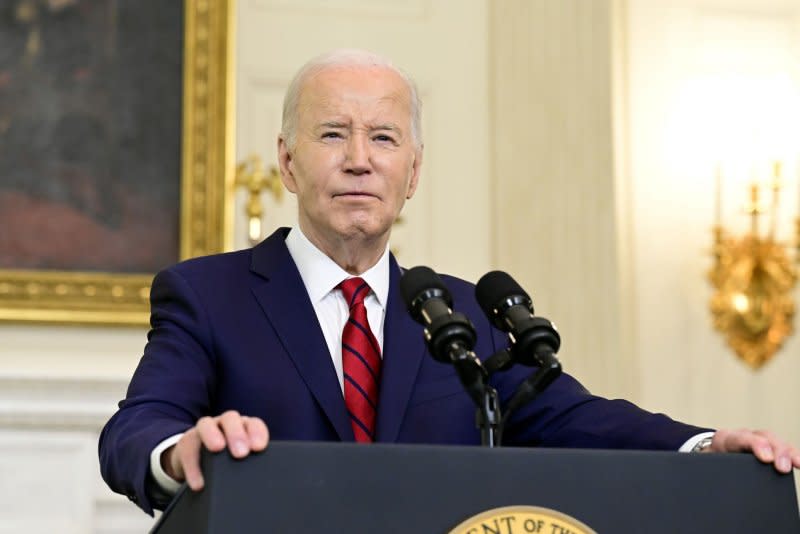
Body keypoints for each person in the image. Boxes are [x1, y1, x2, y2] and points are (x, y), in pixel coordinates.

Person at [98, 49, 800, 516]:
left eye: (384, 137)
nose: (359, 161)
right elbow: (137, 430)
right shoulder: (208, 296)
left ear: (413, 173)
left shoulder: (463, 314)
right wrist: (181, 450)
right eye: (333, 134)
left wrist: (706, 448)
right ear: (286, 162)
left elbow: (580, 418)